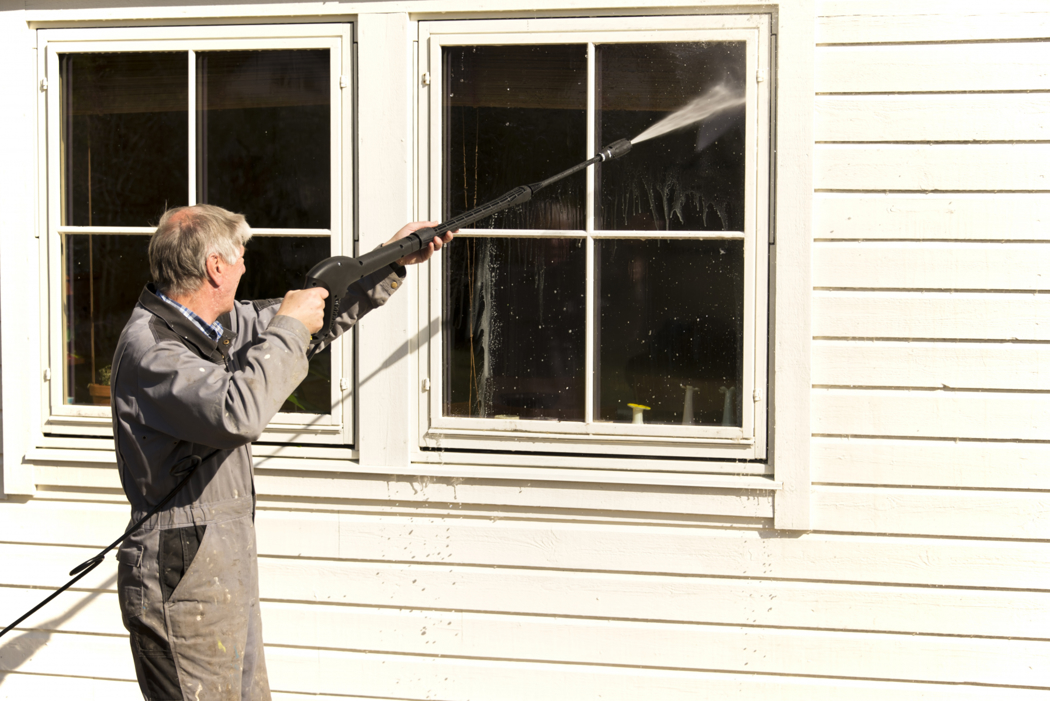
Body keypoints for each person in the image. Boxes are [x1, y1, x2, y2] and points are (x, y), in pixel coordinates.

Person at [110, 204, 451, 701]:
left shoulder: (209, 329)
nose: (246, 266)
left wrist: (392, 258)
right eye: (241, 256)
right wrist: (289, 327)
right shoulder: (155, 351)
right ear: (215, 267)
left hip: (214, 560)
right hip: (181, 570)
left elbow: (313, 314)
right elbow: (238, 412)